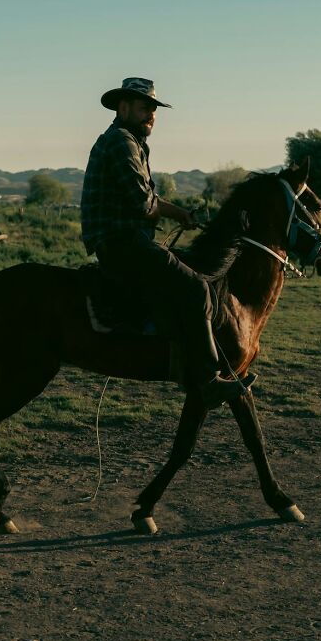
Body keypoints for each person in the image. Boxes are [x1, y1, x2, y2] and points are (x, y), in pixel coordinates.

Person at [81, 77, 253, 409]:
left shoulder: (128, 141)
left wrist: (181, 213)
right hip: (120, 243)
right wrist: (177, 214)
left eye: (154, 109)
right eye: (145, 107)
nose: (151, 115)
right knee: (195, 287)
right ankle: (208, 379)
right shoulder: (121, 142)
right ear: (124, 107)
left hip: (125, 240)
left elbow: (147, 199)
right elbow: (145, 204)